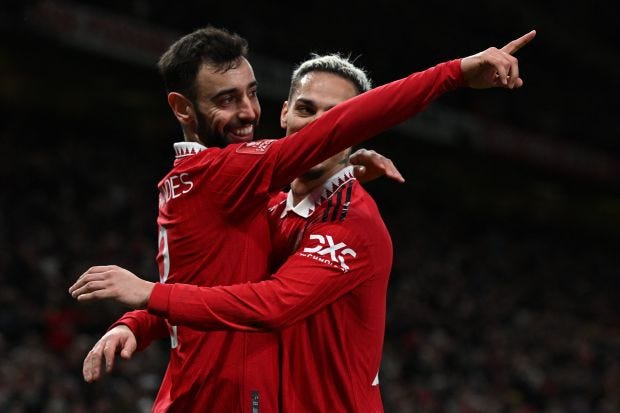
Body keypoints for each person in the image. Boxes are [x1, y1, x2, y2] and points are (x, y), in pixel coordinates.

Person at [71, 25, 536, 413]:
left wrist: (452, 75)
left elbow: (273, 305)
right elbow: (209, 282)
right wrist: (137, 320)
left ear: (355, 129)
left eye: (338, 119)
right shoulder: (266, 201)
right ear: (285, 114)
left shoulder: (355, 225)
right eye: (306, 110)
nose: (318, 126)